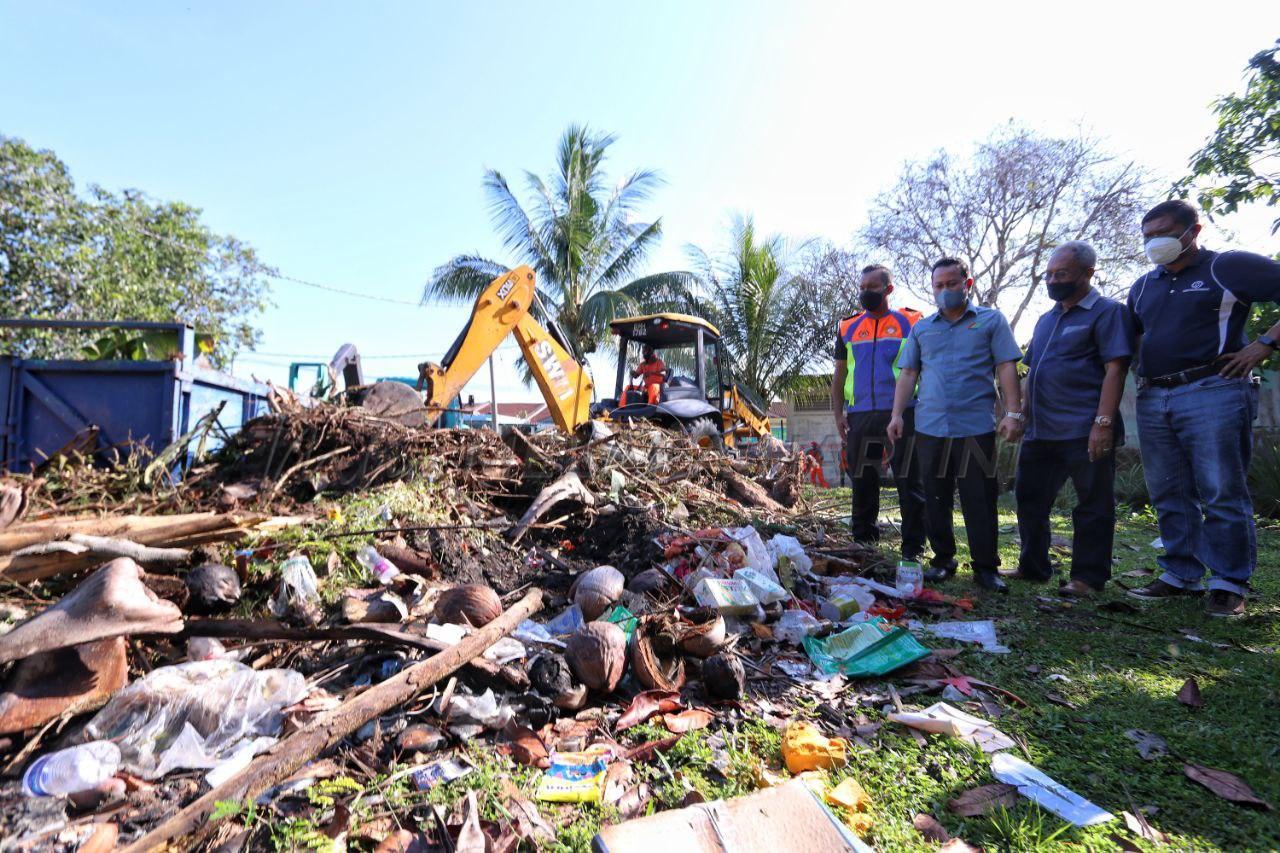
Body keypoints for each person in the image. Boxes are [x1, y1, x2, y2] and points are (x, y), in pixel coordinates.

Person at [1125, 199, 1280, 617]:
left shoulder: (1226, 267)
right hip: (1155, 396)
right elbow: (1133, 339)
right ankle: (1179, 573)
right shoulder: (1142, 286)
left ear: (1193, 231)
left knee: (1221, 489)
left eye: (1163, 232)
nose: (1154, 242)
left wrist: (1263, 344)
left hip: (1214, 388)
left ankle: (1229, 583)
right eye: (1147, 236)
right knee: (1169, 491)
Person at [888, 257, 1024, 591]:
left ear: (968, 283)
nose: (945, 290)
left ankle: (985, 567)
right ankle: (943, 560)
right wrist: (895, 415)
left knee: (979, 497)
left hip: (975, 425)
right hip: (930, 426)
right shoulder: (922, 328)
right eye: (939, 285)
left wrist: (1013, 412)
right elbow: (908, 373)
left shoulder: (991, 322)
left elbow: (1006, 367)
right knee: (935, 497)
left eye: (952, 284)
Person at [1010, 242, 1132, 597]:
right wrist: (1020, 415)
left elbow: (1116, 369)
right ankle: (1033, 566)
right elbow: (1032, 372)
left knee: (1093, 504)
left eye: (1060, 274)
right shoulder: (1047, 319)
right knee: (1029, 498)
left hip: (1083, 429)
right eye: (1048, 274)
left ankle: (1088, 578)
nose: (1052, 280)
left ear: (1087, 273)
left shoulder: (1108, 313)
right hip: (1041, 431)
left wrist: (1102, 423)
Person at [831, 264, 930, 560]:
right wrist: (838, 413)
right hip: (860, 414)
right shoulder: (847, 327)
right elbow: (838, 373)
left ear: (888, 289)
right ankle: (863, 539)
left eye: (871, 288)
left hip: (902, 411)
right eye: (861, 288)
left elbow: (923, 366)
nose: (864, 293)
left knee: (909, 479)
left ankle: (913, 547)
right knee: (862, 478)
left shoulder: (911, 322)